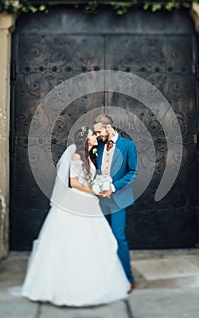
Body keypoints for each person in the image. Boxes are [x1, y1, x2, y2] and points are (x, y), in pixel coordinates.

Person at [21, 126, 130, 307]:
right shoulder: (77, 157)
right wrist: (95, 191)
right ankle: (66, 287)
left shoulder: (90, 156)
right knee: (74, 241)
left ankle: (92, 284)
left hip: (88, 204)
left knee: (92, 241)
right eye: (93, 134)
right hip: (75, 203)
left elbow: (89, 179)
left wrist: (101, 187)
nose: (96, 136)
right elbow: (74, 183)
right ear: (85, 139)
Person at [93, 114, 138, 293]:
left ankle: (127, 278)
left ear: (108, 128)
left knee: (119, 238)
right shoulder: (98, 145)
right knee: (100, 238)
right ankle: (105, 276)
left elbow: (134, 172)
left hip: (118, 199)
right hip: (99, 201)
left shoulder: (128, 145)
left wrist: (112, 187)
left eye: (99, 131)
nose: (97, 135)